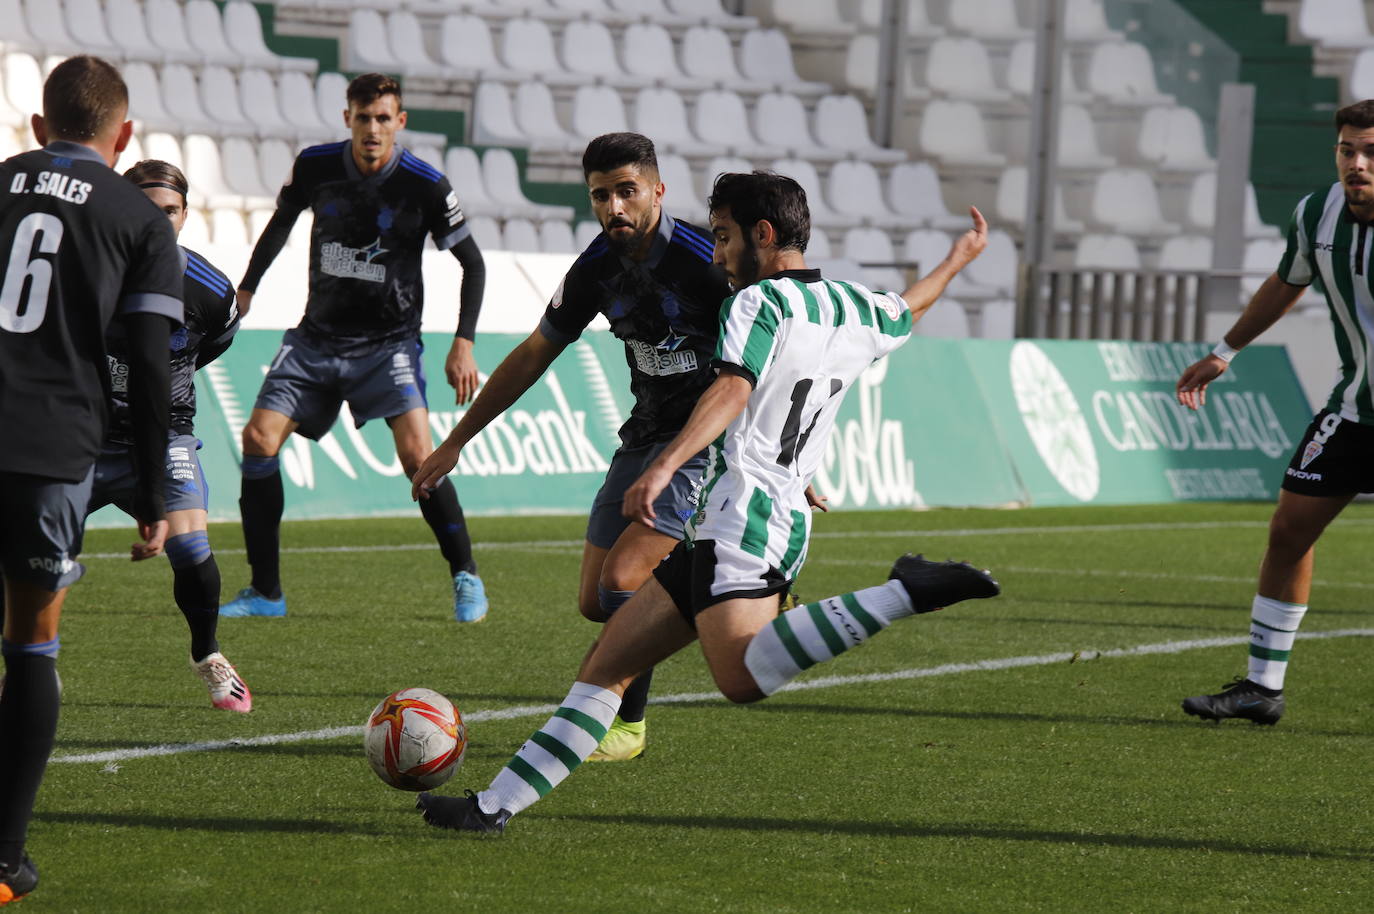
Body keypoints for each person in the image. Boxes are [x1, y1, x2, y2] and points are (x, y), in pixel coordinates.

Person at [410, 171, 999, 834]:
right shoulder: (853, 305)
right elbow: (910, 307)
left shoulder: (756, 303)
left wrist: (663, 464)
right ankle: (491, 809)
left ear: (763, 236)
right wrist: (958, 260)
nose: (715, 254)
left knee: (741, 678)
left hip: (747, 516)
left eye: (723, 237)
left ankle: (904, 592)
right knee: (609, 664)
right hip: (735, 519)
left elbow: (732, 391)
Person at [413, 132, 732, 761]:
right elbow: (535, 351)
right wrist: (454, 441)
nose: (614, 207)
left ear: (658, 191)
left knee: (624, 583)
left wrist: (787, 453)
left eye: (626, 192)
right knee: (595, 601)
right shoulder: (596, 267)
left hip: (701, 443)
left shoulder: (707, 261)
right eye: (600, 195)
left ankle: (627, 725)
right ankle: (729, 588)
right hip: (643, 435)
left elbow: (771, 353)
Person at [0, 56, 182, 904]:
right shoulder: (138, 219)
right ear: (124, 137)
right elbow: (150, 366)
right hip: (53, 451)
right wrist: (152, 493)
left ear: (39, 128)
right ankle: (2, 863)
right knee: (29, 644)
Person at [221, 72, 489, 622]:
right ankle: (266, 592)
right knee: (258, 438)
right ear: (348, 118)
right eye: (363, 117)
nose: (372, 129)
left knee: (420, 457)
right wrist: (247, 288)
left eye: (383, 118)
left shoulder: (425, 185)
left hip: (388, 344)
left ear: (400, 122)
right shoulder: (317, 166)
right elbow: (278, 225)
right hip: (316, 338)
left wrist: (463, 342)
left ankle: (466, 575)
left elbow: (474, 264)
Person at [1176, 99, 1374, 725]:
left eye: (1370, 152)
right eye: (1347, 151)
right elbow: (1287, 281)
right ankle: (1262, 689)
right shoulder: (1318, 213)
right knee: (1289, 531)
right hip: (1355, 409)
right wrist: (1225, 351)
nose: (1357, 165)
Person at [84, 159, 248, 711]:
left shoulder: (210, 290)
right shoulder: (82, 271)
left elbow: (211, 345)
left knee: (192, 547)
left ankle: (208, 655)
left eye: (170, 212)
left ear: (185, 215)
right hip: (82, 434)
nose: (158, 223)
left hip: (165, 437)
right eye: (146, 211)